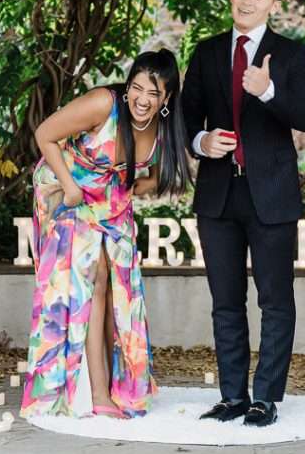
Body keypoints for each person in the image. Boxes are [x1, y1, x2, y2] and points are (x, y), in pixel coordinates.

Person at [180, 0, 305, 427]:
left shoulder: (292, 56)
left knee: (275, 299)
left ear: (273, 5)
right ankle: (233, 396)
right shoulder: (206, 52)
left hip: (272, 195)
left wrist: (268, 90)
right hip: (218, 195)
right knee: (225, 300)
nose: (247, 0)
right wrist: (202, 143)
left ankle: (266, 397)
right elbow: (185, 119)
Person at [19, 50, 191, 419]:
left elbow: (157, 176)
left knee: (120, 288)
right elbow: (45, 135)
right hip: (66, 191)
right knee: (93, 280)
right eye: (137, 88)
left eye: (154, 92)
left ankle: (119, 385)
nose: (142, 99)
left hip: (110, 201)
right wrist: (69, 187)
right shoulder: (104, 103)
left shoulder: (163, 129)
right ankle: (96, 392)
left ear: (167, 99)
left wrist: (130, 188)